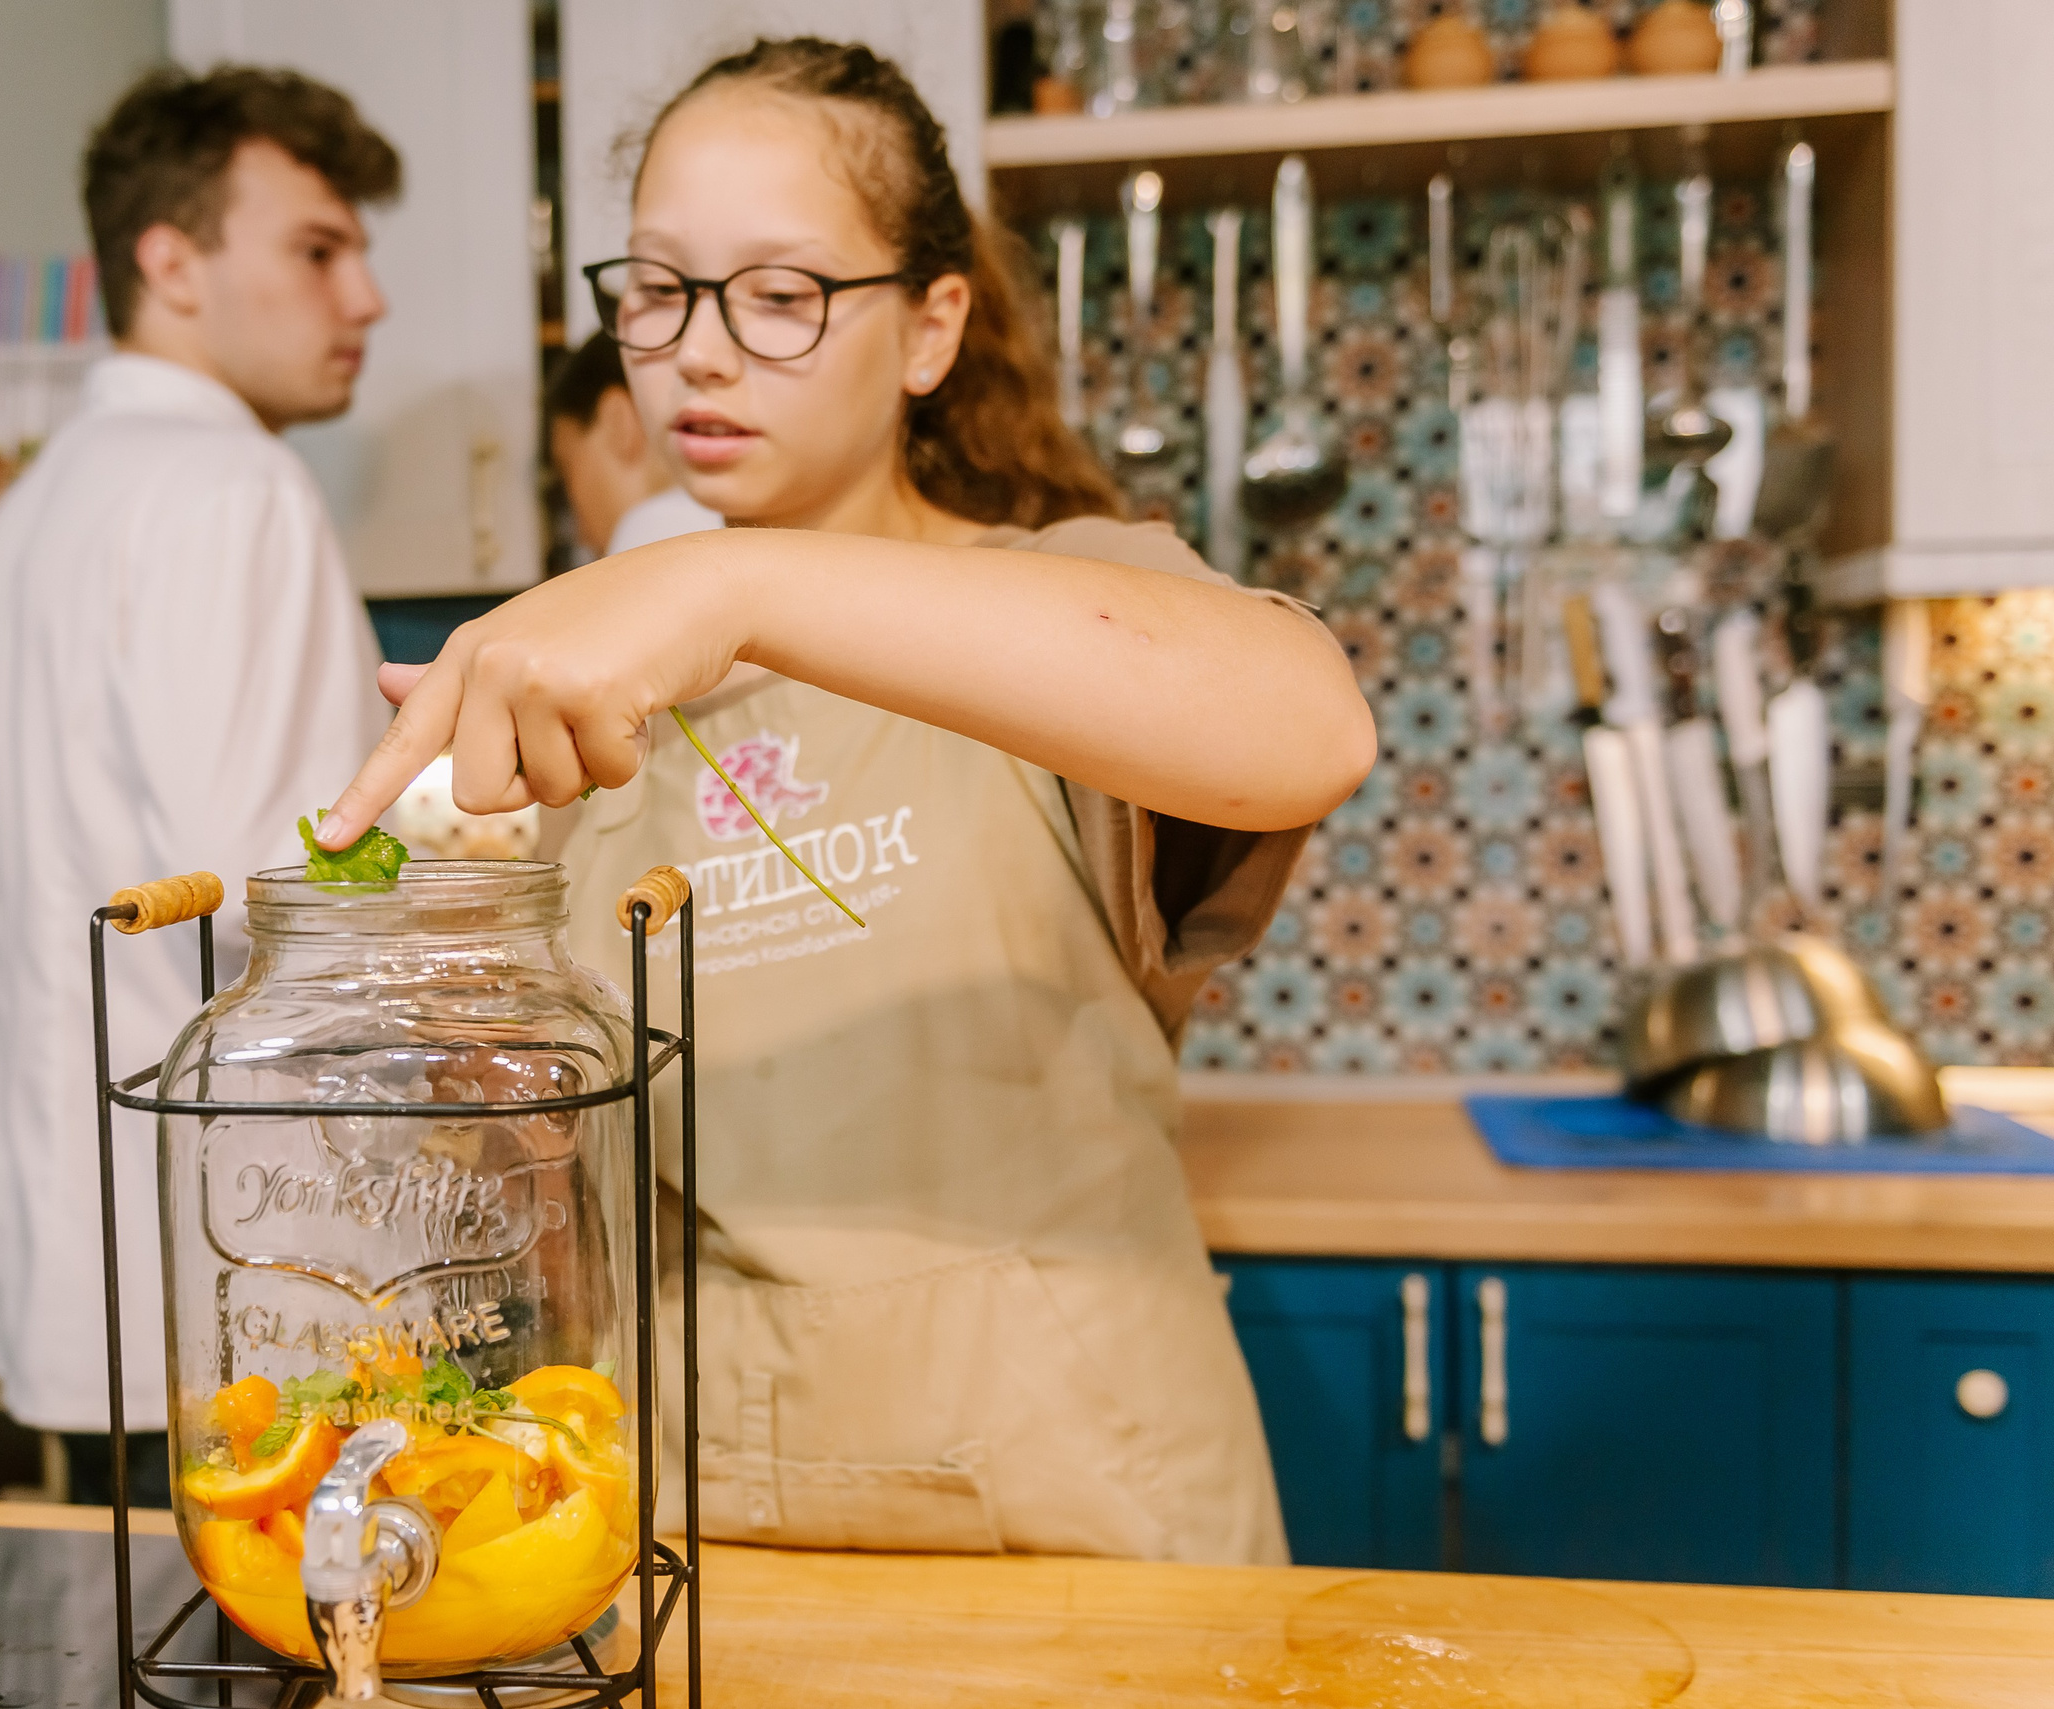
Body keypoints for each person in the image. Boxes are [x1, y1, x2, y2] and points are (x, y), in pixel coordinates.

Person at [317, 39, 1373, 1563]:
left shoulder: (1063, 601)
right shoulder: (601, 694)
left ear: (931, 328)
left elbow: (1306, 724)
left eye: (783, 294)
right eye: (661, 291)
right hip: (695, 1544)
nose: (698, 353)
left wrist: (722, 572)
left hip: (1080, 1535)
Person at [0, 66, 399, 1507]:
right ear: (169, 261)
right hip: (233, 1301)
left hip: (54, 1293)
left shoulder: (21, 516)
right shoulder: (235, 492)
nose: (365, 297)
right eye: (319, 249)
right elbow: (290, 900)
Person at [547, 333, 721, 557]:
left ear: (617, 422)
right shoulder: (752, 525)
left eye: (568, 469)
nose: (581, 533)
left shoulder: (648, 534)